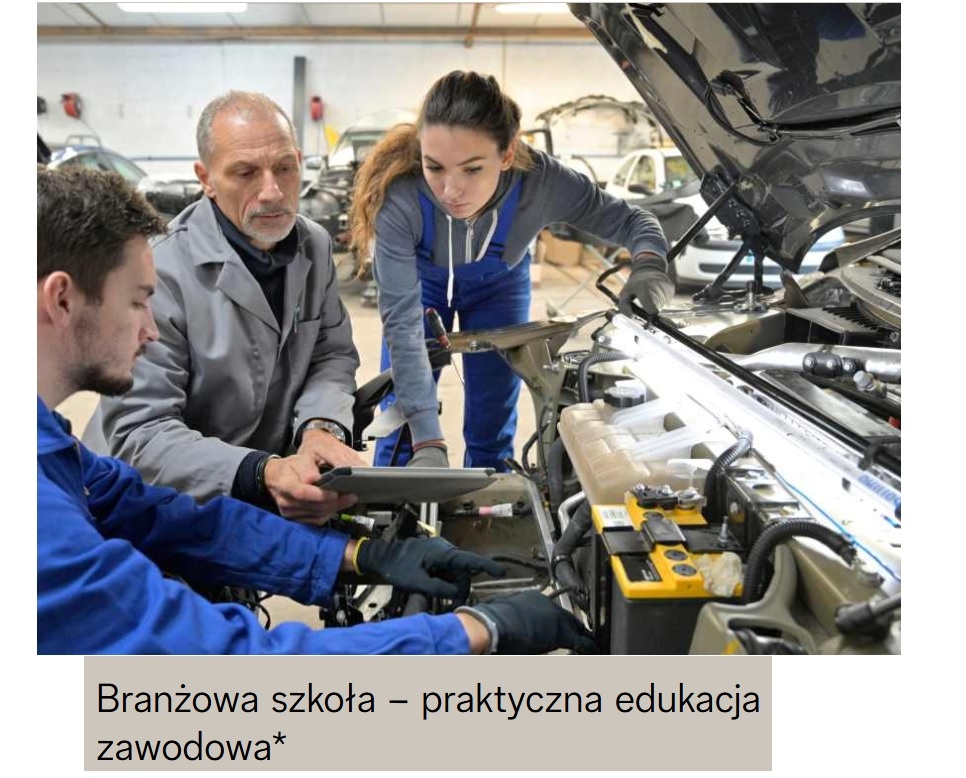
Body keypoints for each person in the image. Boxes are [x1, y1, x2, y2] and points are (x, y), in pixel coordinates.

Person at [37, 166, 597, 655]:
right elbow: (232, 666)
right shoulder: (42, 525)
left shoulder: (53, 447)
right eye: (138, 302)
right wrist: (473, 630)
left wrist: (361, 556)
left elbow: (177, 520)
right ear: (61, 299)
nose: (151, 328)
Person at [350, 71, 671, 470]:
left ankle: (490, 496)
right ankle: (395, 491)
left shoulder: (543, 183)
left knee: (493, 418)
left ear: (506, 154)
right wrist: (428, 440)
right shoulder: (400, 197)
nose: (451, 190)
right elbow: (403, 327)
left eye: (472, 169)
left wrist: (650, 263)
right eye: (435, 167)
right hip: (421, 285)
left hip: (499, 289)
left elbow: (633, 220)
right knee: (403, 420)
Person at [82, 91, 364, 522]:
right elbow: (141, 431)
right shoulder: (156, 272)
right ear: (206, 179)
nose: (272, 192)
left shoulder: (315, 245)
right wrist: (260, 472)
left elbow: (331, 354)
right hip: (148, 502)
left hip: (262, 481)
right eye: (245, 173)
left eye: (284, 168)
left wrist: (321, 428)